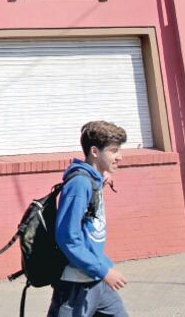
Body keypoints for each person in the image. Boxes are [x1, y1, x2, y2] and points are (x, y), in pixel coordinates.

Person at [47, 121, 129, 317]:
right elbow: (67, 237)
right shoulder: (79, 184)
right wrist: (104, 271)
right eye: (114, 151)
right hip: (77, 283)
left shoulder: (92, 179)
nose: (120, 156)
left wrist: (102, 177)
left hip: (96, 278)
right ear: (95, 151)